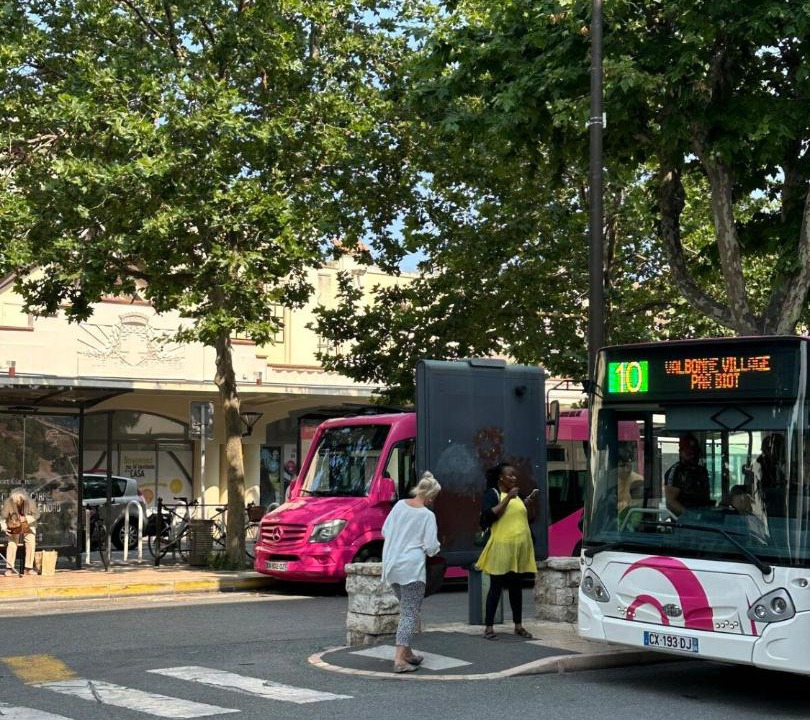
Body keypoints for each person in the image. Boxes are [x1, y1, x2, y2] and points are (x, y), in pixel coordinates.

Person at [381, 471, 441, 674]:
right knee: (409, 613)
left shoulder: (399, 506)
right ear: (431, 496)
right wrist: (437, 547)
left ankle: (407, 653)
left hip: (392, 566)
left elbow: (384, 530)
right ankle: (399, 659)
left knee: (405, 607)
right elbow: (431, 547)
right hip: (412, 569)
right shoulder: (427, 515)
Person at [476, 462, 537, 641]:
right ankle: (489, 627)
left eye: (515, 475)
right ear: (501, 477)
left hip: (519, 548)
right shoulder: (493, 494)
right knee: (496, 587)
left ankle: (518, 625)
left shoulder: (518, 495)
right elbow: (488, 516)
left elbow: (530, 518)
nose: (513, 478)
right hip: (501, 547)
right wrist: (508, 498)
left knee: (516, 587)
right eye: (510, 475)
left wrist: (530, 504)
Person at [664, 433, 711, 515]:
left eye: (695, 453)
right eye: (689, 453)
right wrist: (690, 515)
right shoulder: (676, 472)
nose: (693, 456)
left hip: (704, 517)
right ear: (681, 452)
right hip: (684, 522)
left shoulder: (702, 471)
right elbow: (670, 502)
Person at [2, 487, 40, 576]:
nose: (17, 502)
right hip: (14, 524)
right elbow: (3, 517)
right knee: (12, 543)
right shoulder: (8, 502)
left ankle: (28, 568)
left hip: (28, 524)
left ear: (23, 498)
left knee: (31, 542)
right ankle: (9, 568)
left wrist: (26, 518)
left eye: (19, 500)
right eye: (15, 501)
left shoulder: (30, 502)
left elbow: (37, 514)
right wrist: (4, 527)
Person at [616, 449, 644, 529]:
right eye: (622, 465)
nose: (626, 468)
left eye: (628, 464)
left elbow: (640, 507)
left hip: (633, 524)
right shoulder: (609, 481)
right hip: (615, 525)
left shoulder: (639, 481)